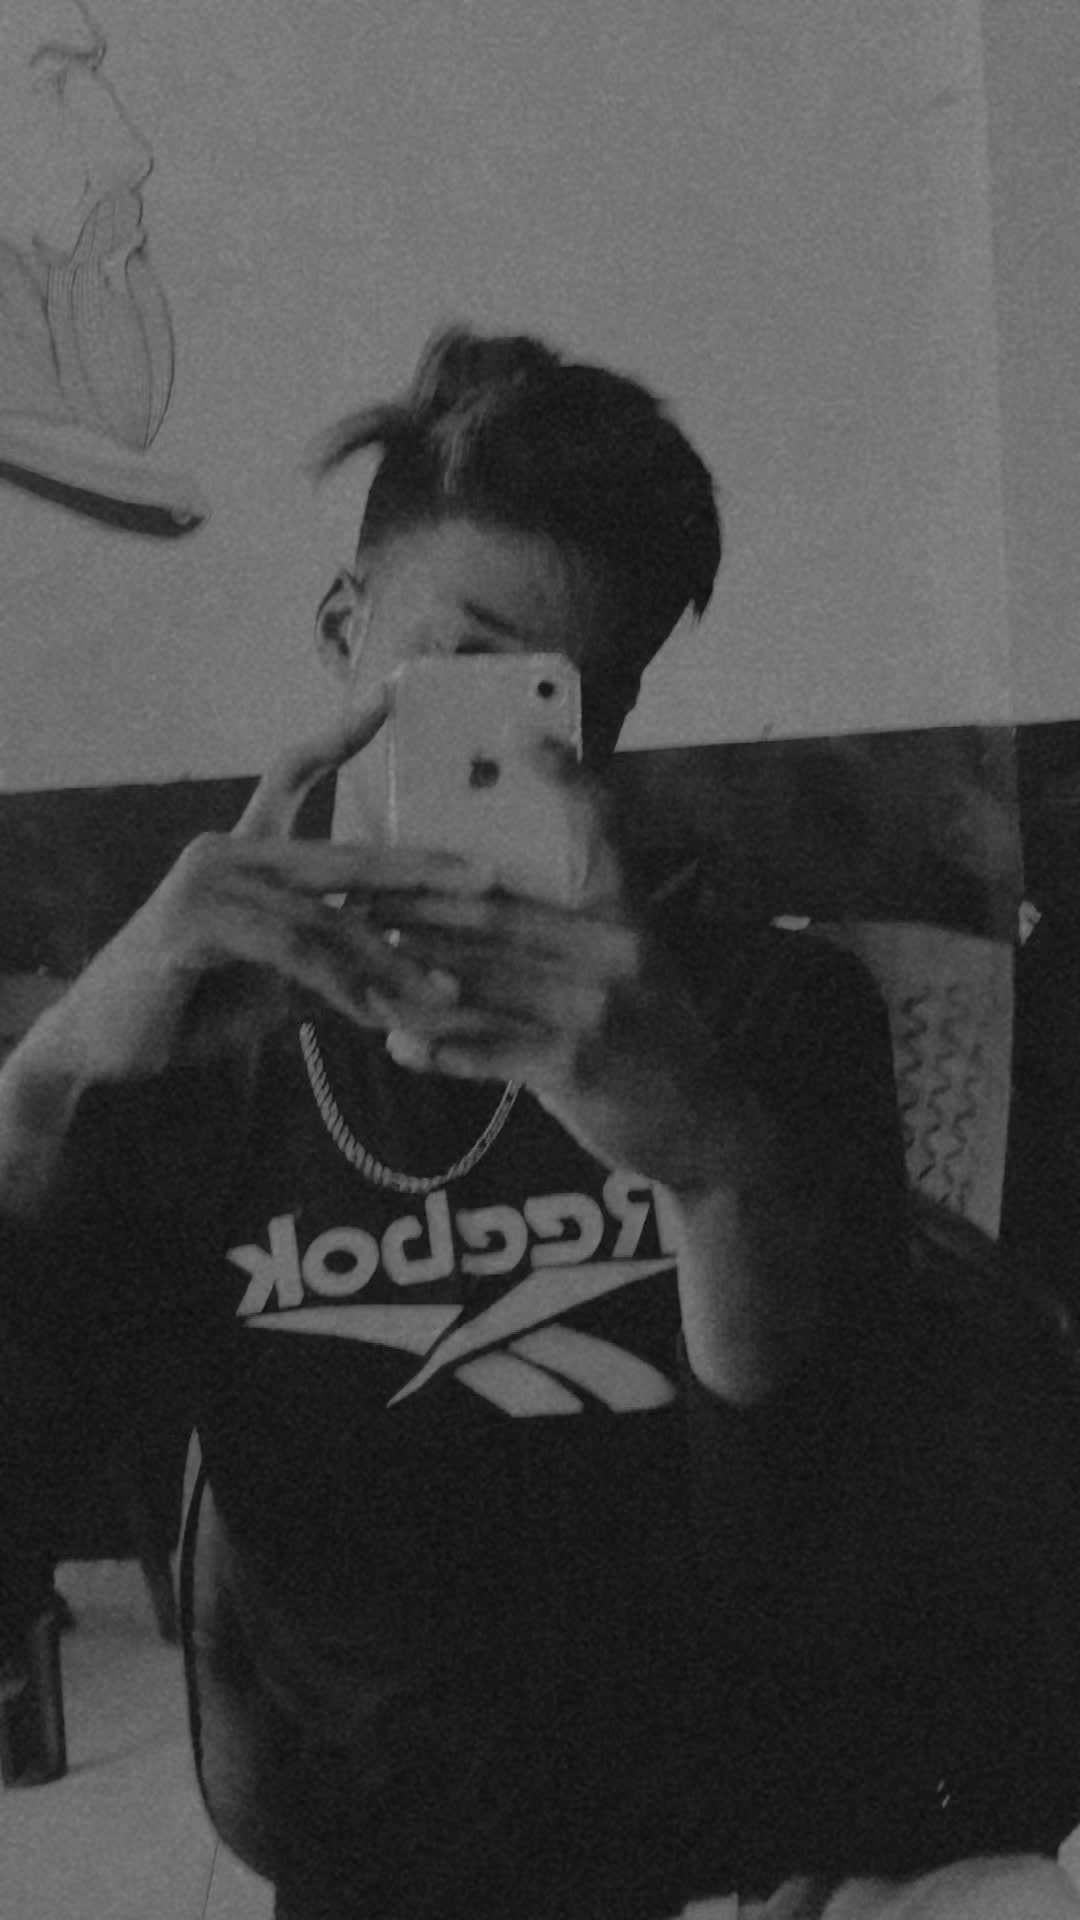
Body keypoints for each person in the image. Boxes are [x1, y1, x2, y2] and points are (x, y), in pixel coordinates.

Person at [1, 326, 1078, 1917]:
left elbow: (821, 1568)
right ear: (342, 627)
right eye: (464, 667)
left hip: (735, 1860)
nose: (511, 743)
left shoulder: (765, 1020)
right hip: (376, 1868)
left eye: (568, 697)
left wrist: (714, 1171)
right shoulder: (193, 1054)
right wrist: (46, 1084)